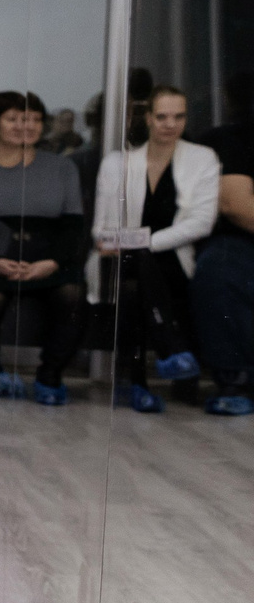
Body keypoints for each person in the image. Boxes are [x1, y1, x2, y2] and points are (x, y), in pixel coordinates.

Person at [93, 85, 219, 414]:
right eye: (162, 116)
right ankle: (169, 349)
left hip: (173, 262)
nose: (170, 124)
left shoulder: (202, 159)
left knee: (136, 279)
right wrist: (127, 244)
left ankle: (137, 384)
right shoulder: (118, 164)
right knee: (135, 273)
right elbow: (101, 230)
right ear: (148, 118)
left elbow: (202, 223)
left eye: (178, 117)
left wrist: (143, 242)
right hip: (120, 261)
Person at [0, 90, 90, 405]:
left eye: (35, 120)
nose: (26, 126)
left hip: (48, 254)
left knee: (72, 295)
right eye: (14, 119)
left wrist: (52, 262)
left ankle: (50, 375)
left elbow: (73, 226)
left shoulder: (62, 167)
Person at [191, 114, 254, 415]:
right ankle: (235, 379)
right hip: (240, 240)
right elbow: (236, 205)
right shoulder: (233, 139)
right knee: (221, 270)